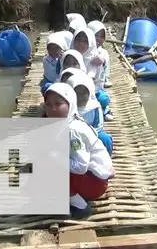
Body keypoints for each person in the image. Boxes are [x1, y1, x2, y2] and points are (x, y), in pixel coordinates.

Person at [44, 83, 114, 219]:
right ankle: (72, 196)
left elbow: (81, 167)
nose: (53, 109)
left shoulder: (72, 130)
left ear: (70, 104)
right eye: (48, 104)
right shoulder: (69, 121)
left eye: (58, 104)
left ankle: (80, 207)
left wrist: (55, 158)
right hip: (93, 177)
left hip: (95, 183)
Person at [71, 27, 115, 121]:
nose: (80, 44)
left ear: (90, 42)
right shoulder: (69, 57)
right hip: (71, 90)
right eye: (78, 40)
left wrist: (87, 92)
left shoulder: (96, 60)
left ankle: (104, 110)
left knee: (103, 98)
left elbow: (99, 82)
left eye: (84, 41)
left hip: (91, 92)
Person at [66, 72, 113, 155]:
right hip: (72, 135)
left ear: (90, 92)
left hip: (92, 134)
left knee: (105, 138)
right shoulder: (68, 107)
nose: (80, 96)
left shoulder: (95, 107)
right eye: (77, 93)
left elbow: (99, 126)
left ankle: (106, 159)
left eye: (84, 93)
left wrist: (86, 136)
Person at [87, 20, 112, 88]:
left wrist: (103, 60)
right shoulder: (84, 49)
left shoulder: (103, 52)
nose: (99, 39)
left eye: (102, 36)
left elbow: (105, 65)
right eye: (96, 35)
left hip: (98, 83)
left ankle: (105, 79)